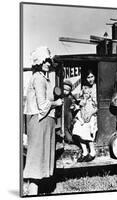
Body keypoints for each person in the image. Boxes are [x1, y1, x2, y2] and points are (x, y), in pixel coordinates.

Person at [23, 46, 63, 195]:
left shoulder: (43, 77)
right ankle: (32, 192)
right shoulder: (39, 78)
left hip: (46, 122)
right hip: (40, 121)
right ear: (39, 62)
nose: (48, 63)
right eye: (45, 60)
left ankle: (37, 190)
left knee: (41, 157)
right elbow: (43, 105)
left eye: (49, 60)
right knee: (36, 158)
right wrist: (56, 103)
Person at [72, 69, 98, 162]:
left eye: (92, 77)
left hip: (93, 113)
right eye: (88, 77)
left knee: (86, 127)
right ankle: (85, 151)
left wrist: (90, 114)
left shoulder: (97, 87)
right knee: (77, 126)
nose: (90, 79)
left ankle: (92, 152)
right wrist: (83, 101)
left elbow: (98, 106)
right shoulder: (84, 87)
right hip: (84, 111)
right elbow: (81, 103)